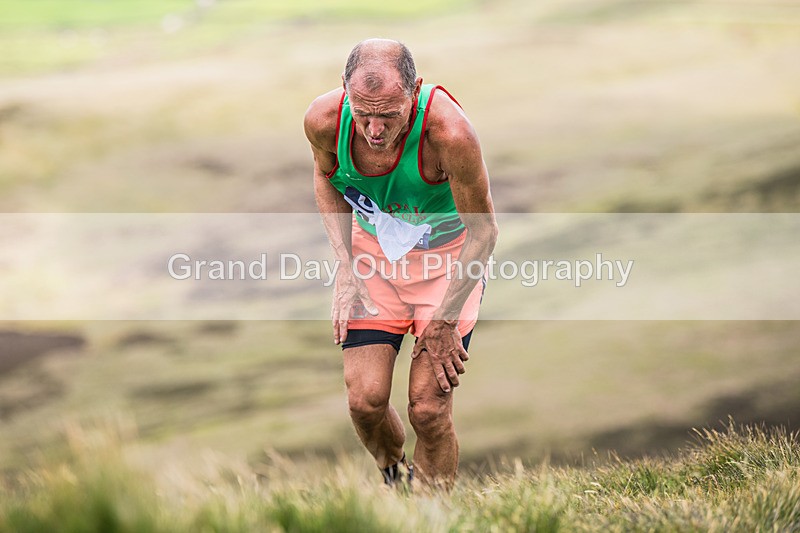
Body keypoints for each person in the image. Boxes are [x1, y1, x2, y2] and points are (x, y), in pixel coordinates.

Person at [304, 38, 498, 490]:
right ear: (344, 91)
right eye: (363, 112)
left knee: (428, 408)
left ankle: (433, 514)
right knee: (365, 402)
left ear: (415, 92)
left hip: (449, 266)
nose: (373, 130)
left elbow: (485, 233)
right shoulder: (324, 121)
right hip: (376, 263)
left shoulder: (450, 134)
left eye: (388, 116)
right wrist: (346, 266)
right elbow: (325, 174)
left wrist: (446, 320)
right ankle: (395, 479)